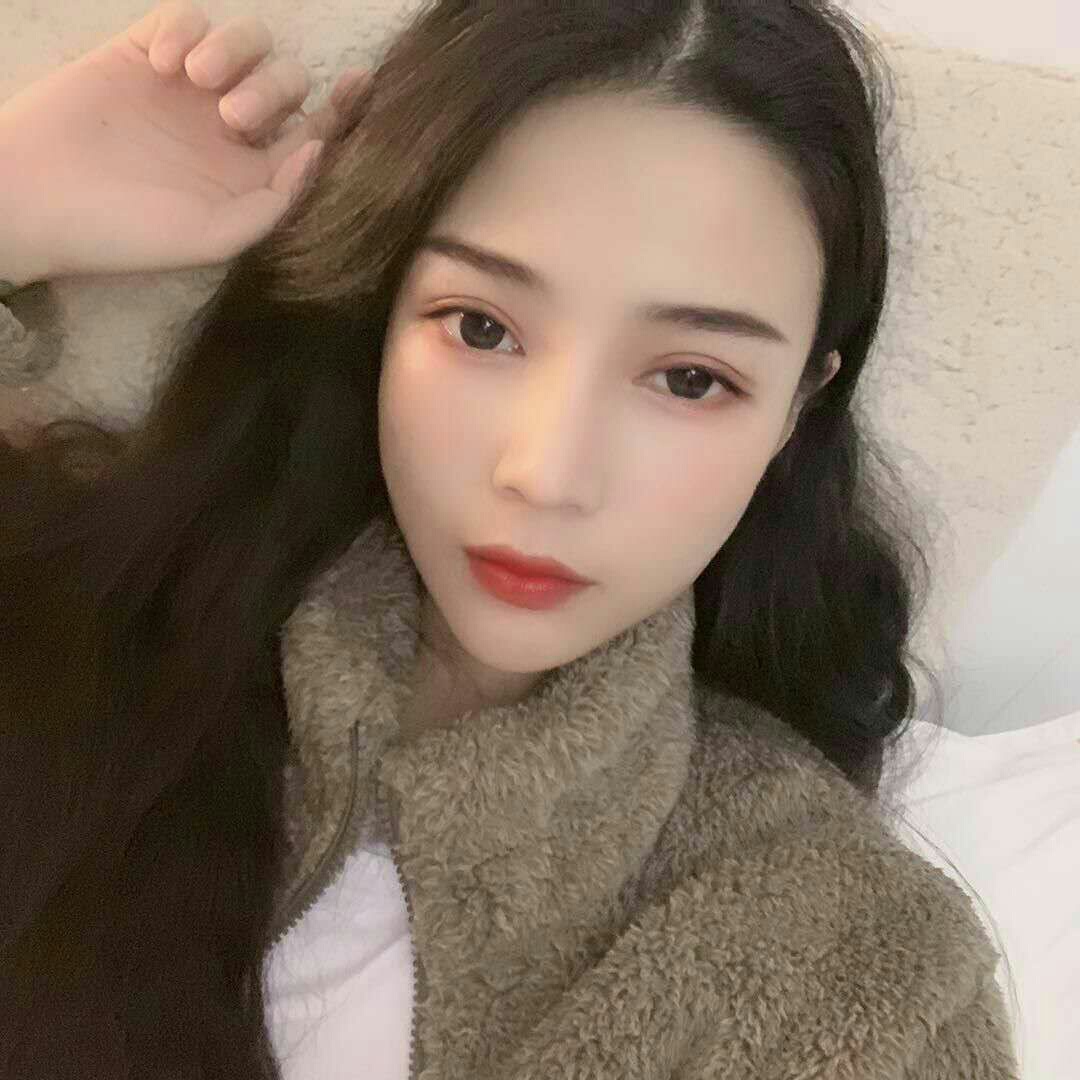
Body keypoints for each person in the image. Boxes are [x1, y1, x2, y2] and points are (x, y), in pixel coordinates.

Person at [0, 2, 1020, 1078]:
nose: (548, 473)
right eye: (481, 327)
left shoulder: (866, 971)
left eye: (691, 379)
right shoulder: (72, 630)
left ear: (796, 411)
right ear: (381, 313)